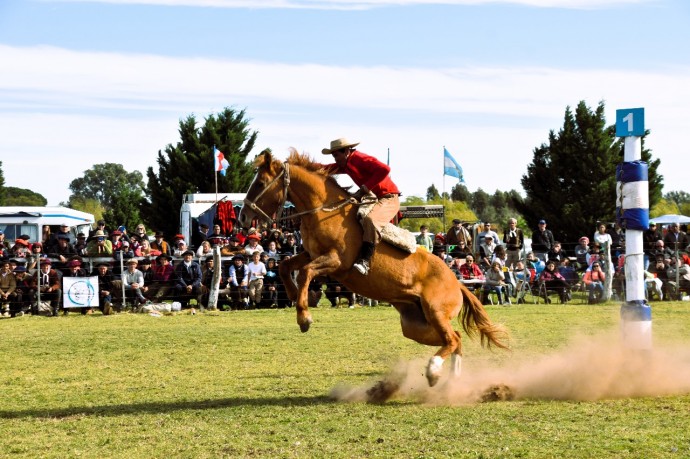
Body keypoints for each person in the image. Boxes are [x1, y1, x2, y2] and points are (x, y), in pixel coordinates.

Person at [321, 137, 400, 276]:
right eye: (333, 156)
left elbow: (385, 169)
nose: (335, 159)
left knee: (370, 220)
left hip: (388, 197)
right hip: (375, 198)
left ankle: (365, 260)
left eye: (336, 155)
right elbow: (327, 168)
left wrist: (364, 188)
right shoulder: (345, 164)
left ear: (346, 151)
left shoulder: (359, 158)